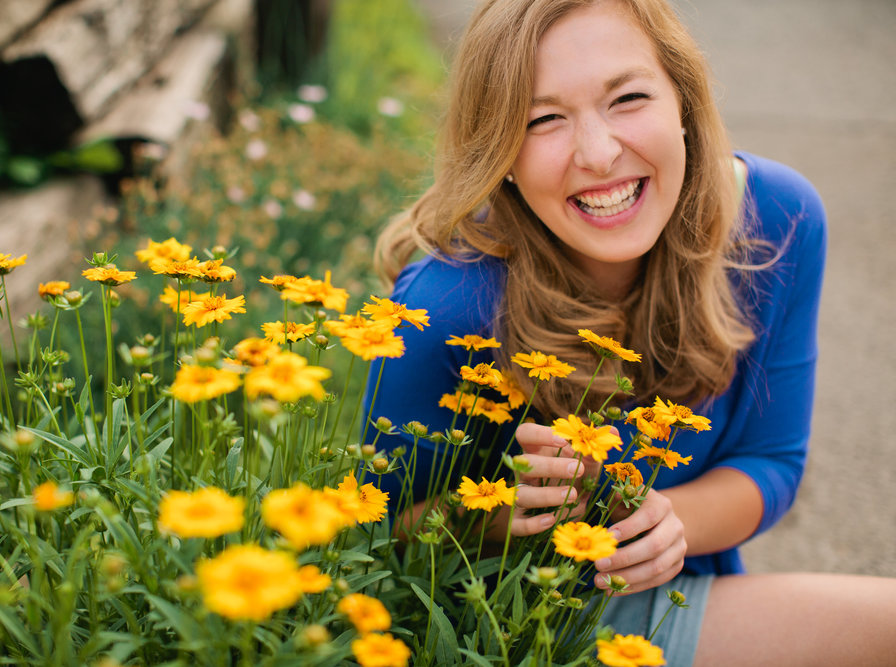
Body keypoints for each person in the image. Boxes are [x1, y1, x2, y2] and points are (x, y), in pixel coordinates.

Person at [364, 0, 896, 664]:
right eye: (544, 119)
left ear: (685, 102)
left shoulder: (778, 219)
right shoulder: (446, 303)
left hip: (666, 584)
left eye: (628, 98)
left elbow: (771, 461)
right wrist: (501, 513)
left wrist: (670, 520)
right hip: (505, 623)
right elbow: (376, 534)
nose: (598, 152)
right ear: (499, 150)